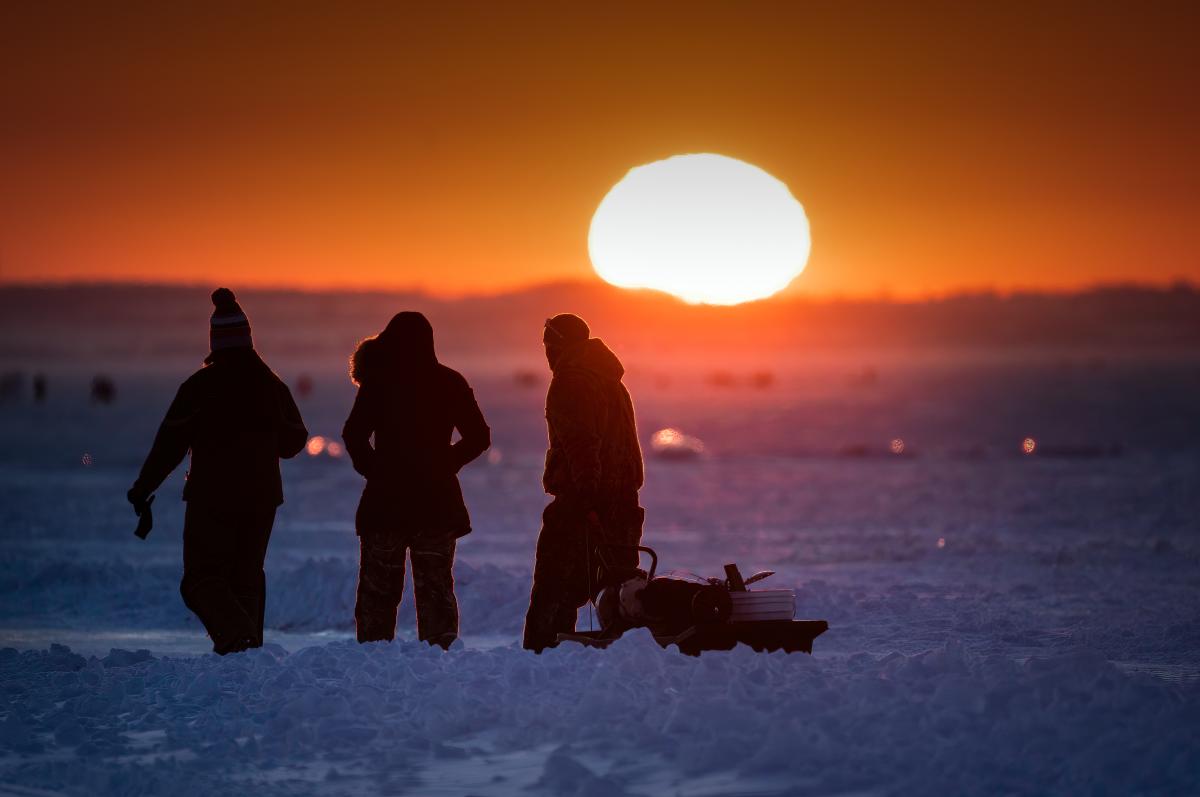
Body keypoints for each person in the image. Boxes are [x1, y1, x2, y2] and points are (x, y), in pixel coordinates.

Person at [127, 288, 308, 654]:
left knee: (200, 579)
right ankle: (247, 651)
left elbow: (170, 445)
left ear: (215, 341)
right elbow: (293, 443)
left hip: (211, 498)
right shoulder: (270, 385)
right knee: (246, 579)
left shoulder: (199, 387)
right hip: (261, 499)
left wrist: (143, 487)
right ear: (248, 338)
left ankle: (239, 639)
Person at [342, 312, 490, 649]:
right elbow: (479, 436)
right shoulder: (449, 382)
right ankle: (441, 657)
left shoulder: (379, 383)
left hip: (386, 503)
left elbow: (353, 434)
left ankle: (373, 658)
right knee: (435, 588)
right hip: (436, 503)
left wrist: (375, 470)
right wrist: (444, 464)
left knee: (378, 593)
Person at [522, 313, 645, 652]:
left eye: (549, 345)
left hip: (584, 502)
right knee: (617, 587)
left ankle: (541, 659)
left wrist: (586, 500)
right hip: (624, 501)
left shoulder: (571, 382)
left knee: (553, 589)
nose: (546, 354)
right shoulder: (610, 380)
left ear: (559, 345)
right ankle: (630, 656)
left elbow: (581, 444)